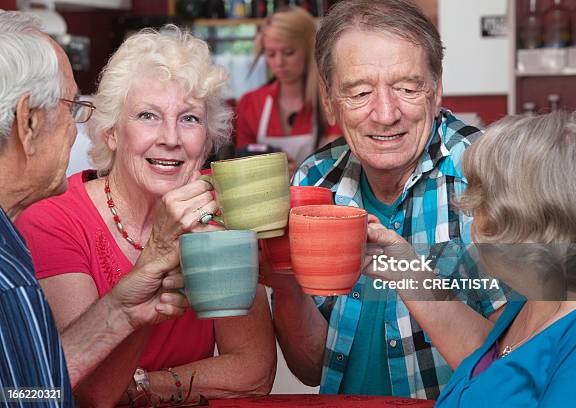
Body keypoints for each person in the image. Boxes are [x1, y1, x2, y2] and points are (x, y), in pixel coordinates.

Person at [16, 26, 276, 406]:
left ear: (207, 137)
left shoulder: (224, 205)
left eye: (189, 119)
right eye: (147, 116)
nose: (171, 137)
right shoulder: (56, 219)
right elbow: (79, 390)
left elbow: (253, 370)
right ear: (111, 133)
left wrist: (144, 387)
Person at [266, 0, 509, 400]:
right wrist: (286, 284)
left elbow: (514, 371)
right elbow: (312, 368)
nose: (385, 113)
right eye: (360, 92)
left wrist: (407, 272)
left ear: (437, 89)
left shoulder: (490, 176)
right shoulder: (315, 181)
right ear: (329, 99)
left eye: (408, 88)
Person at [0, 11, 190, 406]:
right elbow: (32, 398)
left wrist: (124, 308)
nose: (76, 128)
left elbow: (27, 386)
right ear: (27, 121)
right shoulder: (9, 279)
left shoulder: (8, 239)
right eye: (71, 109)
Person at [435, 110, 576, 406]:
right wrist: (396, 264)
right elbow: (488, 380)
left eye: (481, 202)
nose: (471, 219)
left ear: (528, 220)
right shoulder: (528, 300)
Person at [235, 6, 341, 172]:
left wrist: (299, 171)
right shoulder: (251, 104)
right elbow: (241, 164)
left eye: (289, 52)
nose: (279, 62)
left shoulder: (330, 102)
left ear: (309, 49)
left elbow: (338, 161)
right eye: (271, 54)